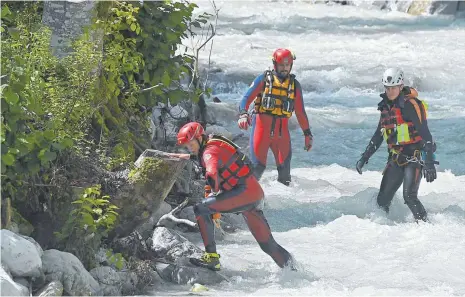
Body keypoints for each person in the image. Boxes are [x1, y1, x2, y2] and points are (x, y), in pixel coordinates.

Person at [176, 121, 295, 271]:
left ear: (199, 138)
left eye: (190, 144)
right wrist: (178, 156)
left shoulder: (208, 152)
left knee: (200, 209)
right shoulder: (212, 144)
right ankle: (294, 271)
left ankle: (212, 258)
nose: (189, 148)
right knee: (268, 245)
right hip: (254, 195)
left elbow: (211, 171)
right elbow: (205, 159)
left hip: (244, 194)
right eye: (187, 146)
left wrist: (213, 194)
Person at [356, 67, 438, 222]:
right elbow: (379, 135)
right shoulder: (385, 107)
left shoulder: (411, 105)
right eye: (387, 88)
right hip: (395, 159)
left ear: (401, 87)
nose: (390, 91)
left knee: (409, 197)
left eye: (394, 88)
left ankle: (428, 229)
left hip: (414, 159)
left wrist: (429, 162)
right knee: (382, 201)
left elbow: (425, 132)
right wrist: (364, 157)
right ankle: (385, 232)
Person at [237, 48, 313, 186]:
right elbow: (246, 99)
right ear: (275, 64)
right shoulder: (263, 80)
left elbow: (300, 112)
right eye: (281, 65)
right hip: (261, 130)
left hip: (282, 134)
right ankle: (242, 196)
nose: (284, 68)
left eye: (287, 65)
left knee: (285, 177)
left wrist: (307, 134)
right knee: (257, 169)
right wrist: (243, 114)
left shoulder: (295, 86)